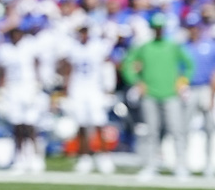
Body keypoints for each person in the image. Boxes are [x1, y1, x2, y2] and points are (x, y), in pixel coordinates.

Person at [121, 13, 194, 180]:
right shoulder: (145, 47)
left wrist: (183, 81)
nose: (159, 30)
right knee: (151, 131)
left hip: (171, 94)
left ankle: (181, 165)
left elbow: (189, 65)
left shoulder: (172, 46)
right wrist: (136, 82)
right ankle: (150, 165)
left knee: (177, 130)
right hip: (150, 94)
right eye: (156, 27)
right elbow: (127, 65)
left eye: (161, 27)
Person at [59, 23, 116, 174]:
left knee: (99, 123)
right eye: (81, 32)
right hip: (78, 89)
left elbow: (107, 66)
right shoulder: (73, 47)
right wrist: (66, 90)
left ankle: (104, 156)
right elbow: (67, 69)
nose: (83, 35)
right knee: (82, 124)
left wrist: (108, 87)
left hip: (95, 88)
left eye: (85, 32)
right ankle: (85, 156)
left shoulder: (98, 46)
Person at [0, 27, 47, 174]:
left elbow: (37, 62)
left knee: (30, 124)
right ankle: (19, 157)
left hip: (28, 87)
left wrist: (38, 83)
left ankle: (35, 157)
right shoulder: (4, 49)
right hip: (13, 88)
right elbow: (2, 70)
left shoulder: (29, 46)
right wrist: (1, 87)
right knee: (17, 125)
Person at [183, 20, 215, 177]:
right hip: (189, 89)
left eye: (196, 27)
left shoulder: (210, 46)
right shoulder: (184, 47)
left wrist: (212, 95)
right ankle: (184, 163)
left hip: (206, 88)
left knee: (210, 128)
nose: (194, 30)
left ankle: (209, 163)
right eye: (191, 27)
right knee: (185, 127)